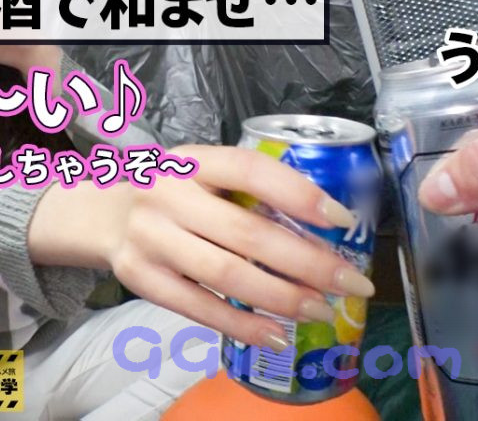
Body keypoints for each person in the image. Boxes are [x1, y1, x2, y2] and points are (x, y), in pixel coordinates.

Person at [0, 45, 374, 420]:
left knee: (234, 330)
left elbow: (148, 173)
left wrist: (37, 57)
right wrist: (45, 215)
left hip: (30, 358)